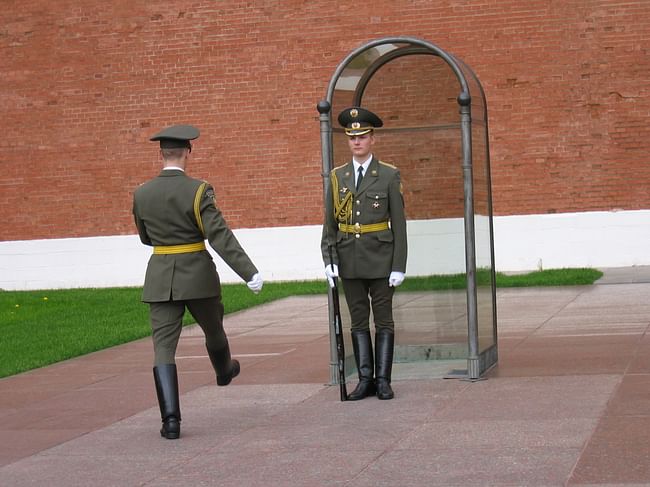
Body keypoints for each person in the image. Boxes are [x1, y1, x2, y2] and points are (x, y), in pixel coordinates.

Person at [133, 124, 263, 439]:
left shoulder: (142, 193)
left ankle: (171, 421)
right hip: (198, 276)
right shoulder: (199, 191)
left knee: (163, 348)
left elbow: (146, 237)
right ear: (188, 152)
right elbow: (219, 235)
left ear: (160, 153)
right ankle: (224, 371)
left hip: (160, 276)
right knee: (214, 331)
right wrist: (249, 272)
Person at [321, 107, 407, 401]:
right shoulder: (337, 177)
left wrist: (399, 264)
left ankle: (383, 380)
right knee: (357, 321)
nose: (357, 142)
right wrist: (329, 260)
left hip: (381, 257)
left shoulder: (388, 175)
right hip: (349, 259)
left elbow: (399, 224)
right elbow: (330, 224)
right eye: (352, 137)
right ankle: (365, 379)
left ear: (372, 139)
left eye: (362, 136)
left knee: (383, 319)